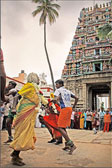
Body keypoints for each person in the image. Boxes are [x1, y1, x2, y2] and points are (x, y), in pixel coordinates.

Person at [9, 72, 48, 166]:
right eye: (37, 77)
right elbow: (17, 95)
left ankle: (15, 154)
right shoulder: (29, 85)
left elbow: (42, 99)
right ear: (34, 78)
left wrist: (50, 104)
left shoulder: (36, 89)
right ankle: (15, 155)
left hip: (31, 113)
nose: (39, 79)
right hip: (25, 112)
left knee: (27, 133)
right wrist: (13, 108)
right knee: (23, 133)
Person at [54, 79, 78, 155]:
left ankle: (71, 145)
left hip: (64, 109)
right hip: (69, 108)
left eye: (56, 84)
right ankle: (67, 145)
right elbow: (77, 98)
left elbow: (55, 99)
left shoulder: (58, 90)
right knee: (63, 127)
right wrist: (73, 106)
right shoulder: (68, 91)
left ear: (60, 84)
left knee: (60, 127)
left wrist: (55, 102)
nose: (56, 86)